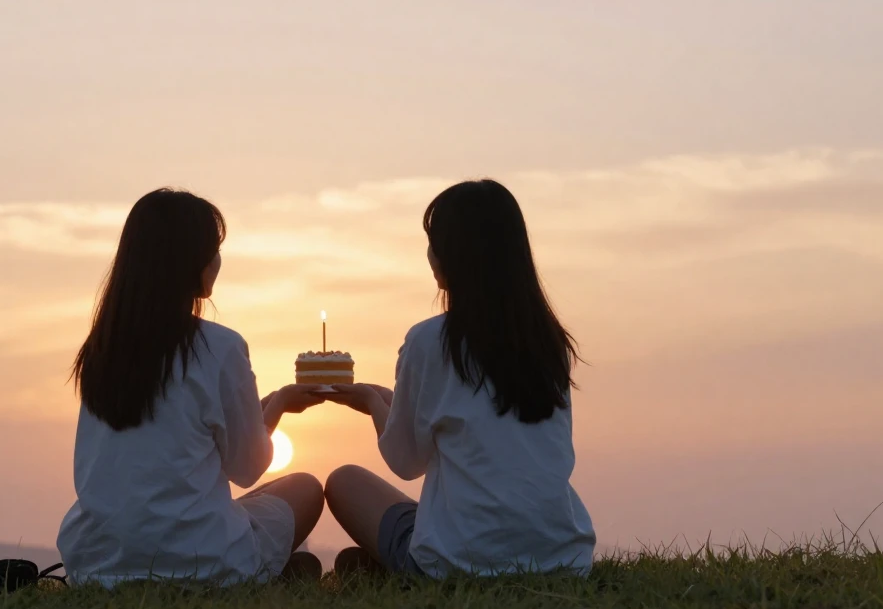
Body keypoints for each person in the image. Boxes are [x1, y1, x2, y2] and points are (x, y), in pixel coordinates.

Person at [323, 179, 596, 577]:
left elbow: (405, 461)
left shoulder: (429, 341)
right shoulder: (548, 343)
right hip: (563, 560)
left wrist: (369, 403)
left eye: (435, 242)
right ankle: (375, 568)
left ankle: (390, 566)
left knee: (344, 481)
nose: (430, 254)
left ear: (454, 255)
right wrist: (388, 399)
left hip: (460, 562)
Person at [57, 188, 327, 586]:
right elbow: (247, 469)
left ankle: (281, 573)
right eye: (213, 249)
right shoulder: (220, 346)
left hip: (99, 560)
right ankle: (273, 573)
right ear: (191, 261)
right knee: (303, 488)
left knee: (234, 508)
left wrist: (269, 405)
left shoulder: (102, 351)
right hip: (202, 559)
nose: (217, 261)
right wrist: (279, 407)